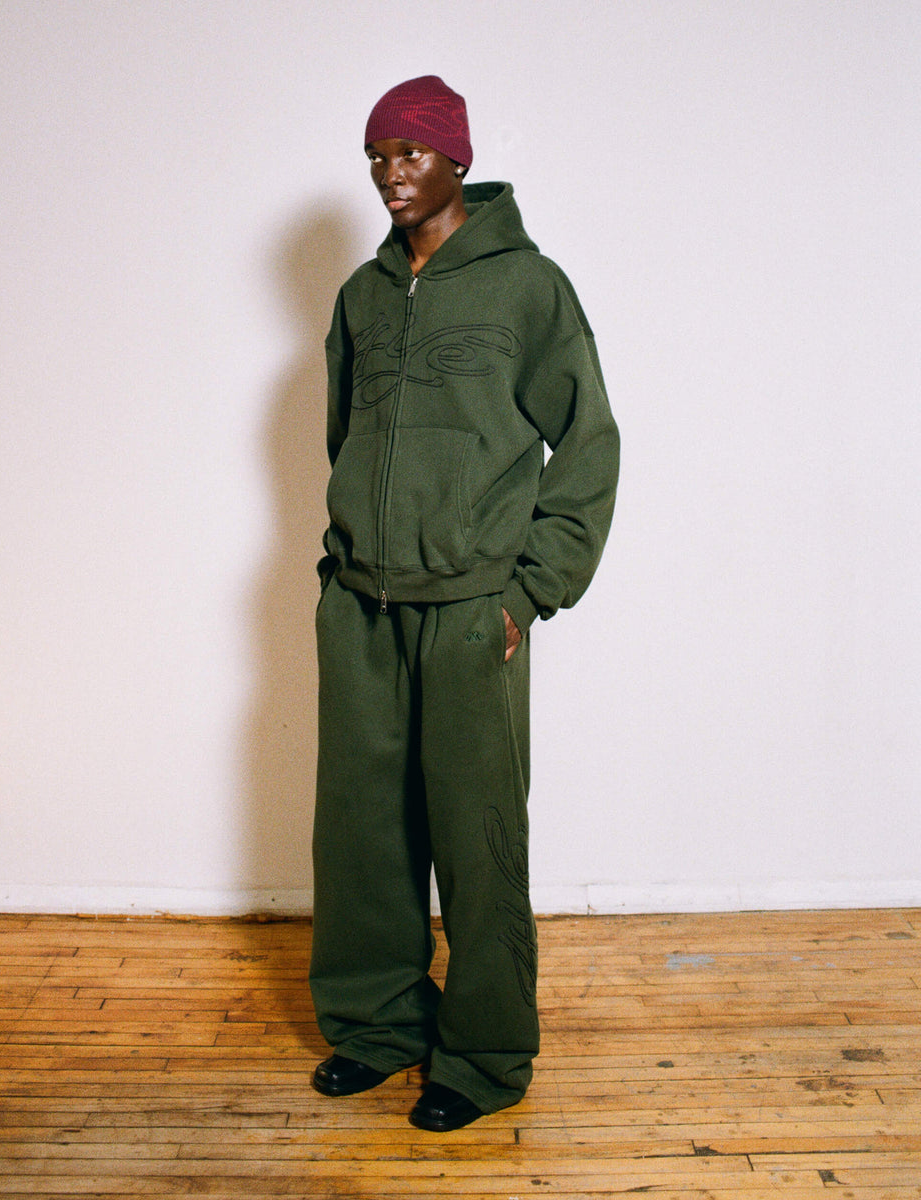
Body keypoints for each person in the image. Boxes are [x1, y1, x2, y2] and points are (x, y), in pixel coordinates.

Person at [309, 75, 619, 1132]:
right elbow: (348, 441)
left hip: (470, 609)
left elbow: (587, 449)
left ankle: (483, 1057)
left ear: (456, 158)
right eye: (377, 158)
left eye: (410, 154)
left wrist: (529, 593)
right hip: (361, 605)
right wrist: (340, 560)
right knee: (360, 837)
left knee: (476, 838)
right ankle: (379, 1026)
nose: (392, 176)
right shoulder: (360, 294)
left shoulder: (530, 289)